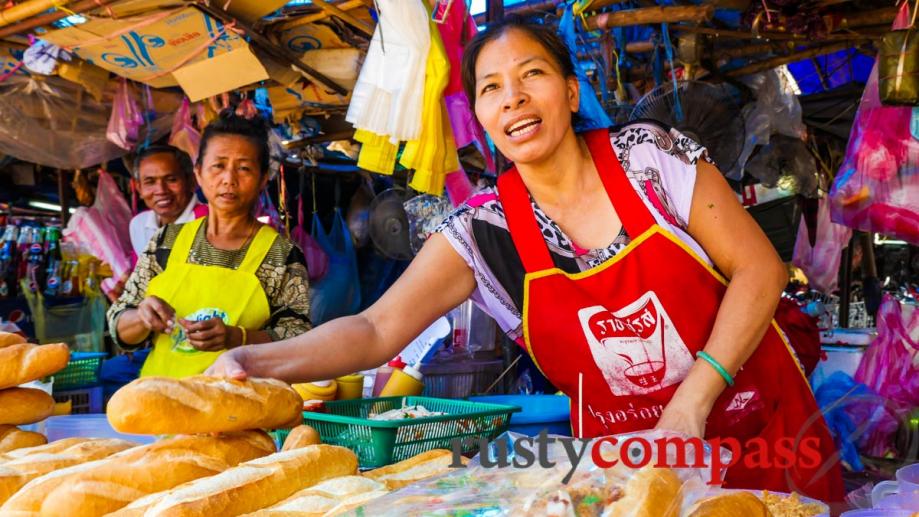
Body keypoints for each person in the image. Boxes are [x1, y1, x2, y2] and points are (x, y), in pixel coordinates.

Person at [207, 19, 843, 501]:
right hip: (626, 466)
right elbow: (375, 330)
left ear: (569, 92)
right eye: (490, 88)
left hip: (763, 428)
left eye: (531, 75)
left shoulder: (651, 159)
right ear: (481, 117)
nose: (512, 97)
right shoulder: (481, 234)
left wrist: (693, 400)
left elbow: (759, 269)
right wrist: (248, 359)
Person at [107, 111, 312, 378]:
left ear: (263, 179)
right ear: (199, 174)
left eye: (244, 168)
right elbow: (118, 324)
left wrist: (237, 337)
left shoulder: (281, 255)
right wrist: (142, 317)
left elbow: (299, 341)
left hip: (238, 405)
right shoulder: (165, 241)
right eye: (218, 165)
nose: (229, 179)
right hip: (160, 399)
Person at [128, 145, 208, 259]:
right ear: (138, 188)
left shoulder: (211, 223)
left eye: (171, 180)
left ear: (191, 181)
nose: (161, 190)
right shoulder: (139, 225)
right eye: (150, 182)